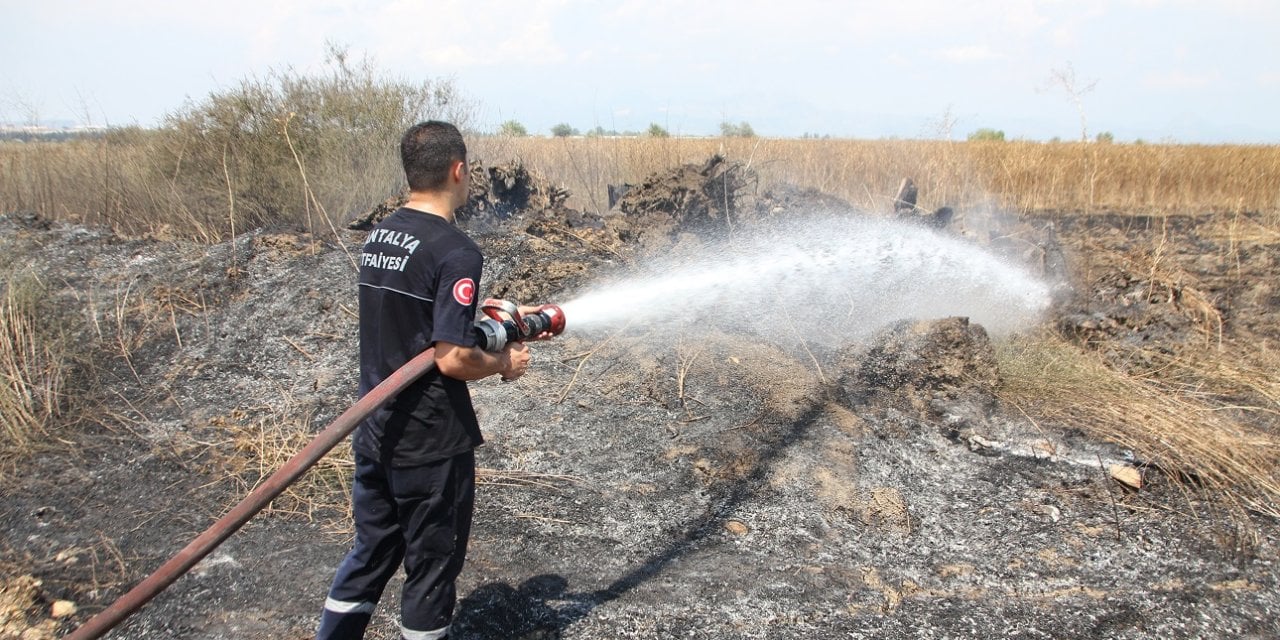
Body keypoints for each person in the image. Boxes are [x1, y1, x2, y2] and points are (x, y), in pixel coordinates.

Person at [316, 121, 534, 640]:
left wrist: (484, 323)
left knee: (370, 554)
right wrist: (504, 364)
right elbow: (452, 358)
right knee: (431, 571)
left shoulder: (381, 235)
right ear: (459, 170)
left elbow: (411, 324)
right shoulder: (456, 250)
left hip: (375, 429)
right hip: (429, 441)